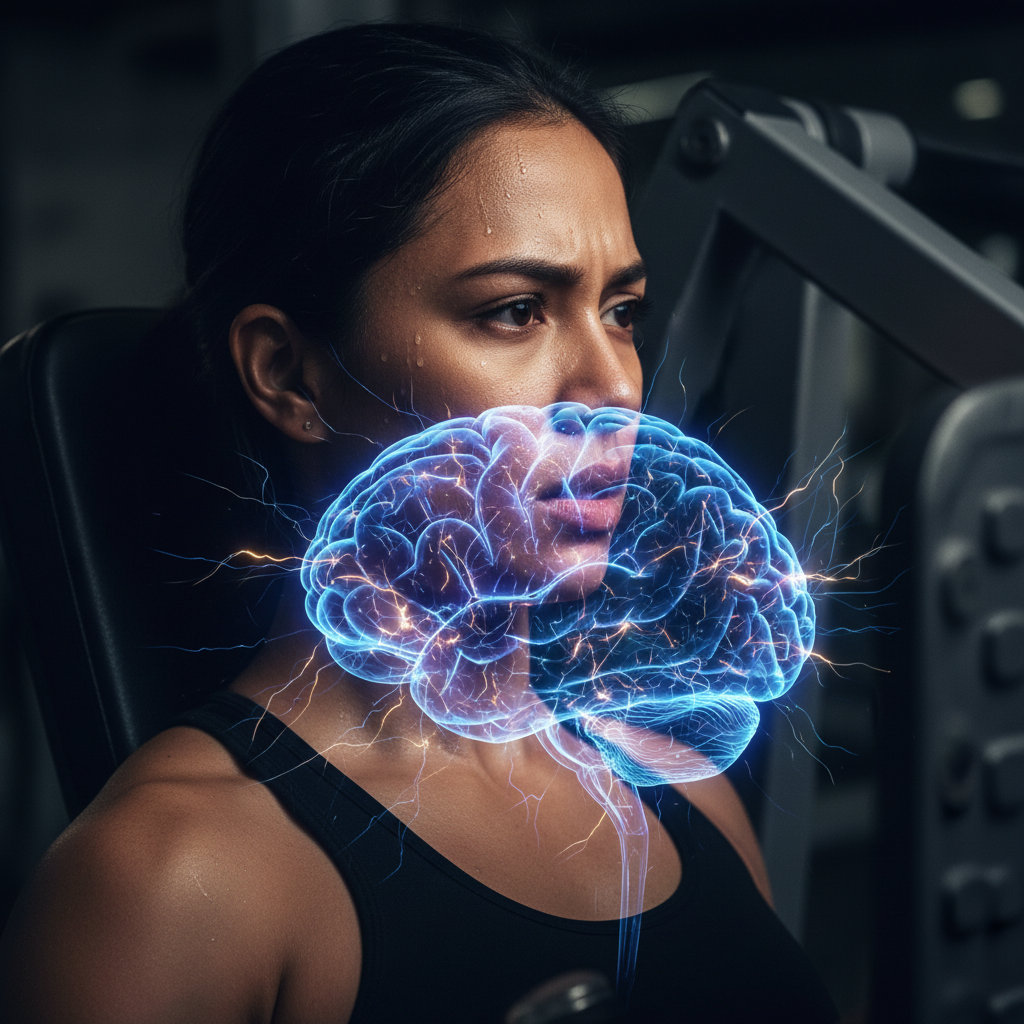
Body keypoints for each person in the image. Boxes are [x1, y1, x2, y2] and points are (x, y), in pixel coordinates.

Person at [0, 23, 839, 1023]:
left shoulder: (678, 790)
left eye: (622, 310)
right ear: (290, 374)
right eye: (516, 310)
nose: (612, 386)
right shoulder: (174, 875)